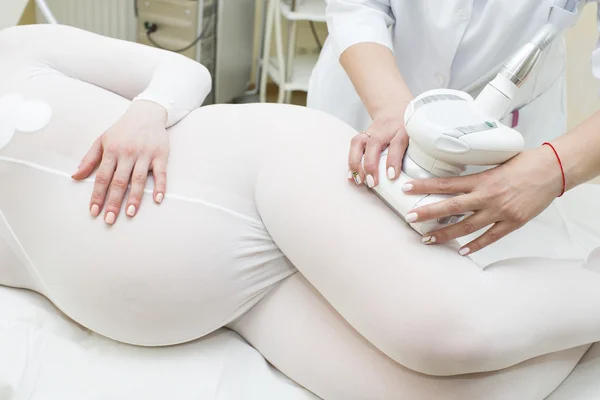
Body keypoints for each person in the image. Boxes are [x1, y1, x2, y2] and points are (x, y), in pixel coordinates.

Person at [2, 24, 600, 400]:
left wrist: (146, 113)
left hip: (261, 172)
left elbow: (183, 70)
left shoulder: (18, 49)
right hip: (238, 297)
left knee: (450, 336)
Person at [307, 0, 599, 256]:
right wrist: (389, 107)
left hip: (507, 149)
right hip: (368, 91)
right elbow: (358, 5)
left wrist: (552, 169)